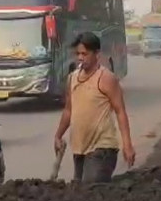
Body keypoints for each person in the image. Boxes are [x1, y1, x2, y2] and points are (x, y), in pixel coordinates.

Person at [53, 32, 135, 183]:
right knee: (80, 194)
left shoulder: (106, 78)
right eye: (78, 54)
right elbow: (68, 110)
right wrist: (58, 135)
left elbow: (120, 111)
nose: (80, 58)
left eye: (85, 53)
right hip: (79, 149)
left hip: (102, 148)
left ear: (96, 54)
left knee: (91, 190)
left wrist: (127, 145)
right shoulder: (72, 78)